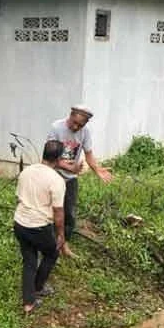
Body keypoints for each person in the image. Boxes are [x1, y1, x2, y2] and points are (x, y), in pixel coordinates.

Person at [46, 105, 114, 256]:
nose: (76, 127)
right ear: (70, 115)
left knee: (69, 214)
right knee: (51, 211)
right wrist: (69, 167)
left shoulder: (85, 132)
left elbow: (89, 154)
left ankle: (64, 245)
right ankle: (49, 245)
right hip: (53, 175)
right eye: (74, 122)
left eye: (80, 125)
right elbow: (49, 157)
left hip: (71, 179)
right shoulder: (56, 127)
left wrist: (97, 169)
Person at [13, 139, 66, 315]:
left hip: (20, 223)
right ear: (59, 159)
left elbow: (18, 198)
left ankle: (29, 303)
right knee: (52, 253)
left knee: (29, 261)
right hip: (38, 226)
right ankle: (38, 287)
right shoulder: (57, 180)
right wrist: (61, 235)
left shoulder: (26, 172)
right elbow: (58, 212)